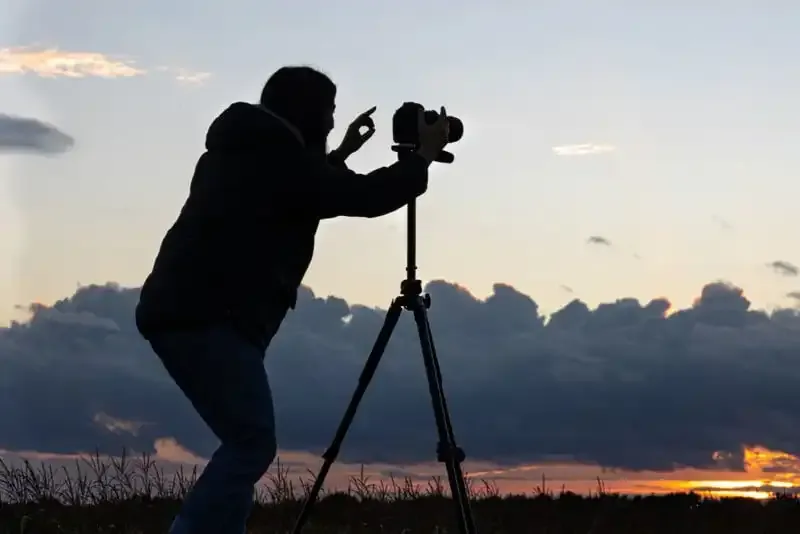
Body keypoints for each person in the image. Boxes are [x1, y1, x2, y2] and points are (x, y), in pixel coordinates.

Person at [134, 65, 450, 534]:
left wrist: (340, 152)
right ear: (307, 111)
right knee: (251, 441)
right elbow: (357, 196)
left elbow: (306, 189)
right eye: (328, 113)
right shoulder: (271, 155)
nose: (329, 123)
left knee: (246, 440)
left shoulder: (251, 148)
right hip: (206, 317)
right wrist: (419, 159)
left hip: (191, 311)